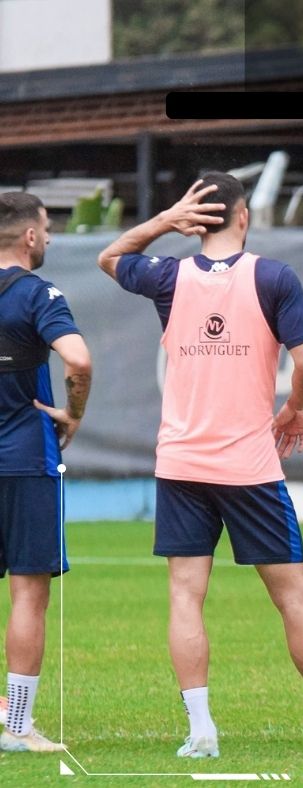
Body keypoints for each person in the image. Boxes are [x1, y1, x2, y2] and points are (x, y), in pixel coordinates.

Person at [97, 172, 303, 758]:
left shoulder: (168, 275)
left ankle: (201, 732)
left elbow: (110, 255)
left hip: (181, 465)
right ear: (244, 218)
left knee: (184, 596)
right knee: (293, 598)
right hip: (249, 467)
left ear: (196, 221)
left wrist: (163, 221)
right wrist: (295, 410)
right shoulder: (274, 277)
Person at [0, 192, 92, 753]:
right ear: (30, 236)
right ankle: (16, 729)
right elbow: (77, 360)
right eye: (48, 229)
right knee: (28, 594)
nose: (51, 238)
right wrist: (74, 413)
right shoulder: (37, 293)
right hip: (24, 459)